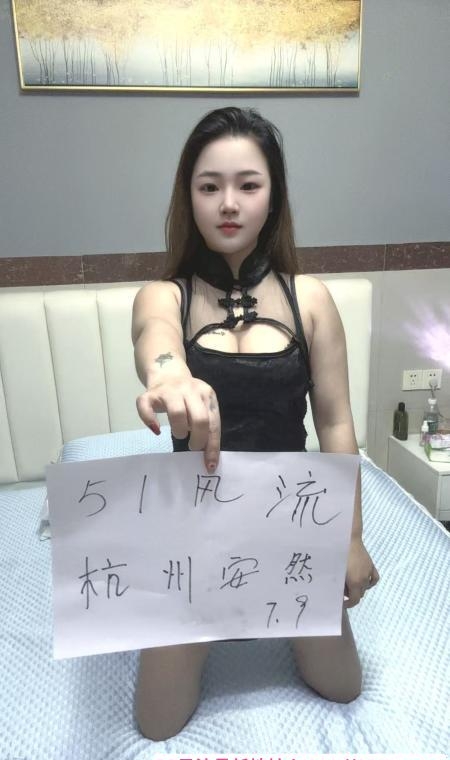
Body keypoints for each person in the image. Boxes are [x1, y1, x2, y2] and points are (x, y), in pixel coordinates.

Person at [131, 106, 379, 740]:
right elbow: (157, 342)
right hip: (195, 527)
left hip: (289, 520)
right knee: (157, 724)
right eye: (209, 186)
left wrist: (349, 538)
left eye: (248, 184)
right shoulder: (165, 296)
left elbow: (336, 424)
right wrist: (170, 377)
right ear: (188, 196)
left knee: (343, 686)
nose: (228, 203)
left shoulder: (310, 299)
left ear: (274, 195)